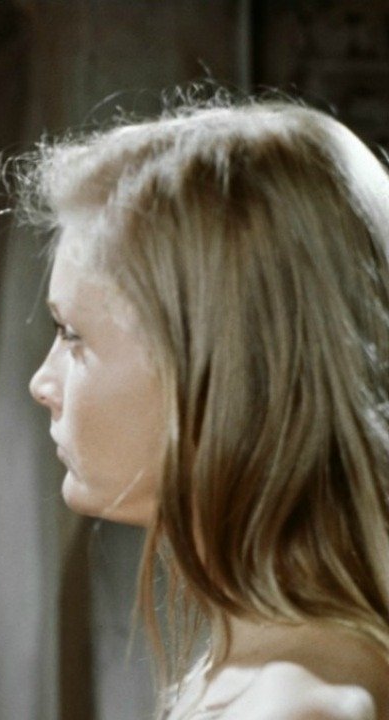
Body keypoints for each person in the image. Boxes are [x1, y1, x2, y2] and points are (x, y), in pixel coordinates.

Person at [21, 96, 389, 718]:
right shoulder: (266, 672)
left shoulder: (293, 707)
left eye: (72, 334)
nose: (41, 382)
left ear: (221, 365)